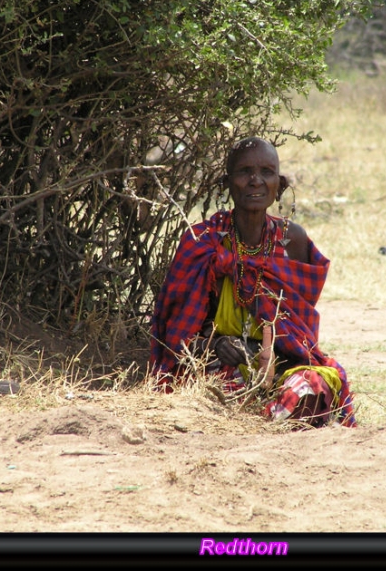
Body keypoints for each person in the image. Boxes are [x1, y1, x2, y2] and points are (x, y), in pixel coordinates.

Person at [149, 136, 357, 428]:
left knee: (312, 385)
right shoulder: (203, 242)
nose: (255, 181)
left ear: (279, 185)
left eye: (266, 172)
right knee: (216, 395)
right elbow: (177, 331)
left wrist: (273, 355)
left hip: (279, 366)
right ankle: (265, 422)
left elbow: (296, 327)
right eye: (244, 171)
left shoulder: (292, 241)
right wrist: (216, 343)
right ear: (227, 182)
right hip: (219, 366)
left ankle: (269, 418)